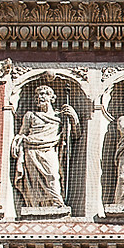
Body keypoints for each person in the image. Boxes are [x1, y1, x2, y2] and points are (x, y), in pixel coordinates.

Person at [11, 82, 79, 213]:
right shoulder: (30, 115)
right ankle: (34, 206)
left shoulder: (60, 117)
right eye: (38, 95)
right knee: (33, 181)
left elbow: (74, 135)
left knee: (52, 175)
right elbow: (22, 133)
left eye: (44, 94)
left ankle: (57, 202)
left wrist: (74, 118)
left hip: (49, 149)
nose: (41, 97)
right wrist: (18, 140)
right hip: (31, 150)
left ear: (52, 98)